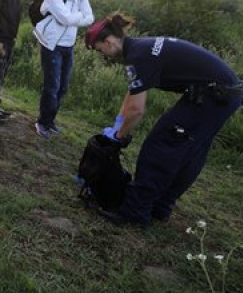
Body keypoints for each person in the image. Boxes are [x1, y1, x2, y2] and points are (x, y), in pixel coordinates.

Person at [84, 14, 242, 228]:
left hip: (213, 96)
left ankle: (135, 212)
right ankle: (160, 206)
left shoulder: (137, 57)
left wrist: (119, 137)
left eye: (101, 50)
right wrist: (118, 122)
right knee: (190, 151)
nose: (104, 56)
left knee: (160, 146)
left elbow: (137, 110)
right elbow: (133, 94)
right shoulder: (141, 48)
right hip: (223, 95)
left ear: (109, 42)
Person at [33, 0, 95, 138]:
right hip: (51, 45)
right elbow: (65, 18)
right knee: (52, 86)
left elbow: (90, 17)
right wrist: (76, 18)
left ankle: (50, 121)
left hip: (69, 45)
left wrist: (72, 20)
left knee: (63, 87)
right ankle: (42, 122)